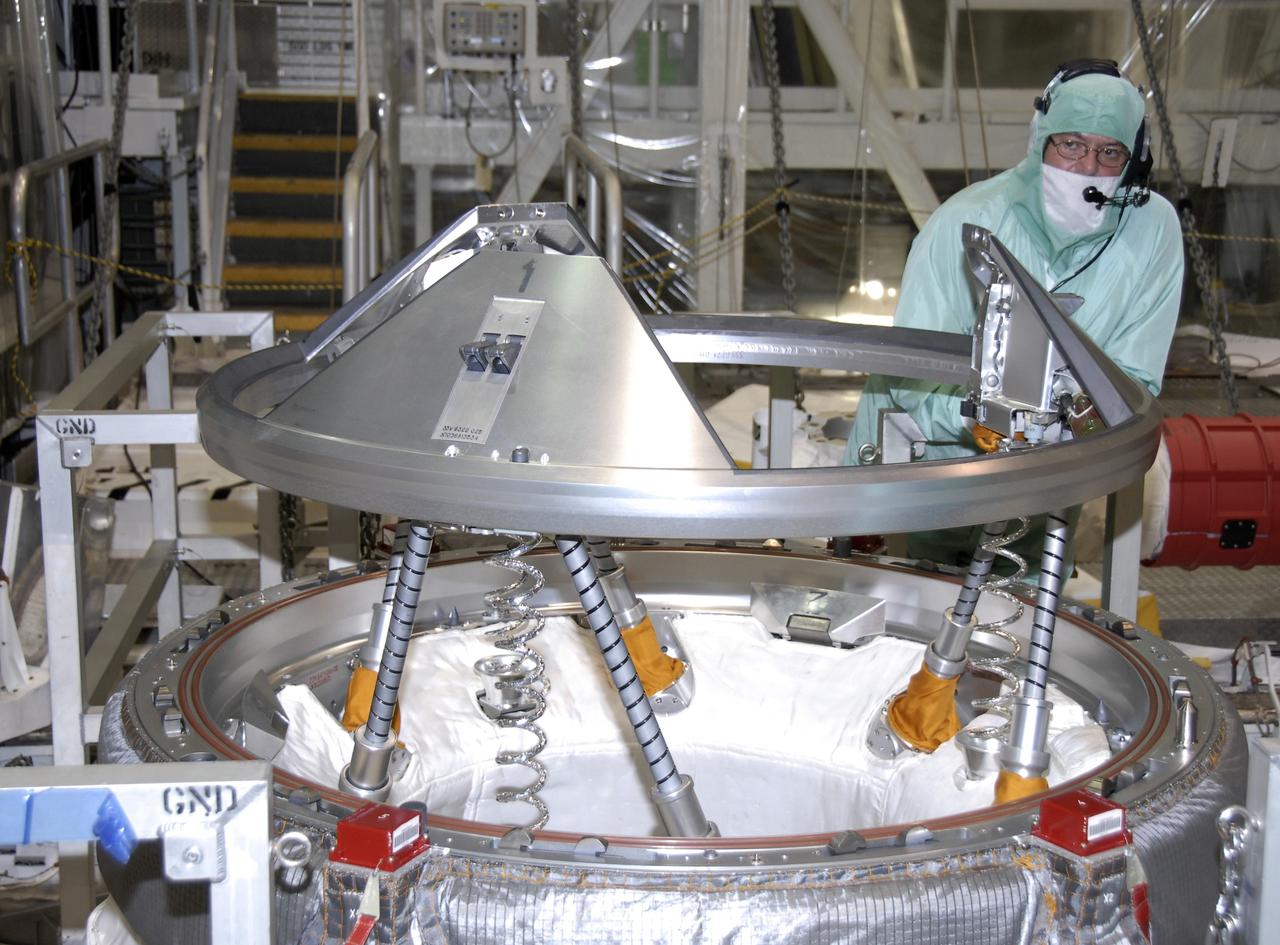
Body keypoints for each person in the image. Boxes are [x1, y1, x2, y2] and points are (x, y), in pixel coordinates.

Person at [843, 59, 1184, 571]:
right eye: (1071, 145)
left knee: (1025, 598)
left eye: (1109, 152)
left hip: (1049, 482)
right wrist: (990, 421)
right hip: (928, 471)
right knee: (919, 595)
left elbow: (1134, 380)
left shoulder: (1152, 230)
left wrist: (1067, 426)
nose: (1087, 168)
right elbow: (912, 377)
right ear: (1041, 139)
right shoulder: (966, 220)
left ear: (1134, 161)